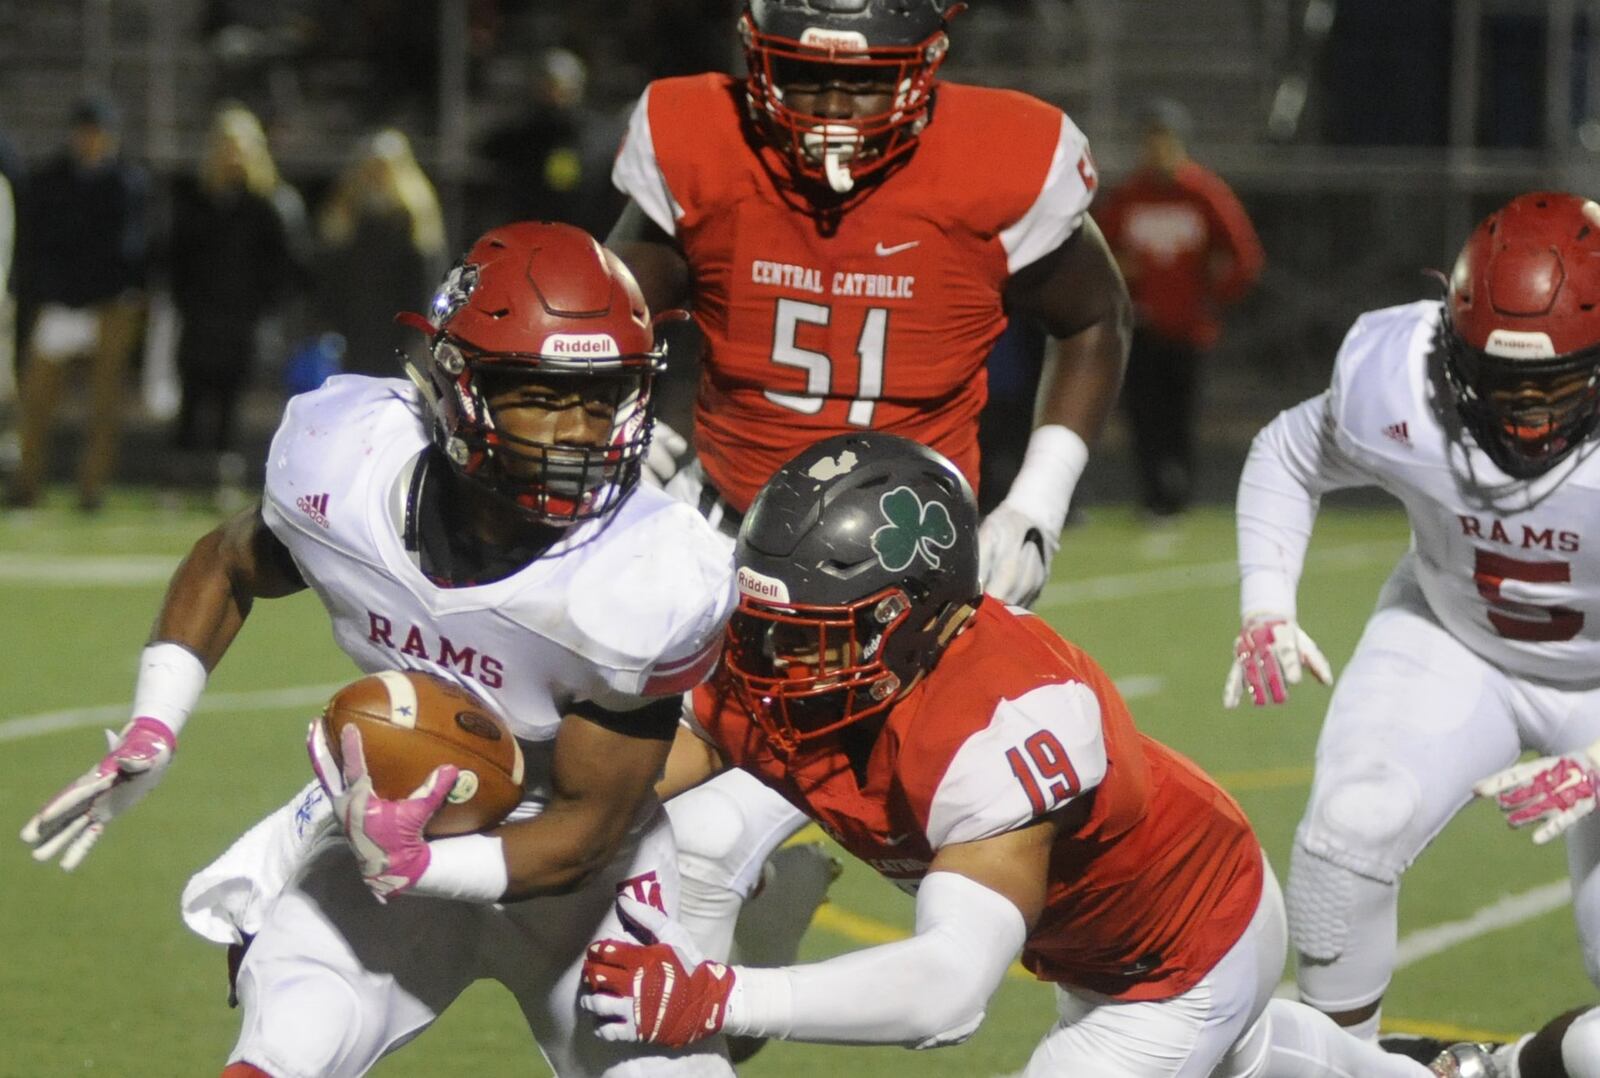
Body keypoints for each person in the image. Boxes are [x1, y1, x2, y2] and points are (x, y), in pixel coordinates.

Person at [19, 221, 737, 1078]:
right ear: (458, 387)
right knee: (284, 1045)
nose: (584, 429)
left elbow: (588, 830)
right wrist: (154, 726)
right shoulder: (350, 467)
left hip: (574, 875)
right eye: (545, 394)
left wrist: (423, 862)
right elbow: (229, 561)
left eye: (606, 394)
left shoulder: (643, 573)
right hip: (390, 818)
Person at [572, 432, 1439, 1077]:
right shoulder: (788, 668)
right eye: (767, 626)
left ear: (925, 625)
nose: (772, 664)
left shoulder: (1006, 719)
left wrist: (722, 994)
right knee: (1252, 1064)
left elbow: (947, 992)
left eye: (815, 639)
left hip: (1177, 953)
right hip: (1095, 940)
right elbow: (617, 785)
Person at [606, 0, 1132, 994]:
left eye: (860, 76)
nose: (831, 108)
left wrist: (1038, 500)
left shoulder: (1000, 155)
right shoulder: (702, 134)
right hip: (716, 533)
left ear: (926, 62)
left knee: (706, 841)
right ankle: (751, 953)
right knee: (611, 807)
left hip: (892, 576)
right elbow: (615, 297)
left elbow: (1095, 317)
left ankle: (714, 1009)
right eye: (802, 76)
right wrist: (614, 419)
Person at [1219, 191, 1600, 1043]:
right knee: (1348, 833)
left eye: (1556, 387)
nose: (1525, 418)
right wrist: (1266, 602)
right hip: (1452, 634)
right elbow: (1288, 452)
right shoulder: (1400, 375)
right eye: (1500, 385)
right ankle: (1340, 1066)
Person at [1096, 97, 1264, 518]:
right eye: (1148, 141)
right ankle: (1152, 493)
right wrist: (1121, 277)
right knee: (1142, 412)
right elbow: (1098, 254)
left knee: (1180, 413)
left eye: (1162, 140)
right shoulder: (1130, 195)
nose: (1155, 150)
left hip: (1188, 328)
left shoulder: (1203, 193)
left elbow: (1244, 257)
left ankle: (1179, 492)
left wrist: (1211, 294)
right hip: (1141, 325)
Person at [6, 94, 149, 511]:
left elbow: (130, 249)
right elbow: (35, 244)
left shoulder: (126, 182)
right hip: (58, 305)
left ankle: (92, 489)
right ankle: (25, 486)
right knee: (36, 406)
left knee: (103, 409)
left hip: (108, 306)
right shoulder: (49, 180)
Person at [166, 102, 305, 469]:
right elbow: (176, 257)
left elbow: (287, 265)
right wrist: (187, 300)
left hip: (243, 321)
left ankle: (222, 470)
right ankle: (183, 468)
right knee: (193, 393)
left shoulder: (270, 205)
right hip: (200, 317)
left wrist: (261, 306)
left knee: (231, 397)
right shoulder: (196, 201)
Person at [313, 127, 447, 377]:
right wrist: (328, 319)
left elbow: (424, 278)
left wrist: (418, 327)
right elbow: (331, 274)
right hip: (353, 325)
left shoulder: (413, 217)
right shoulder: (346, 213)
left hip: (396, 328)